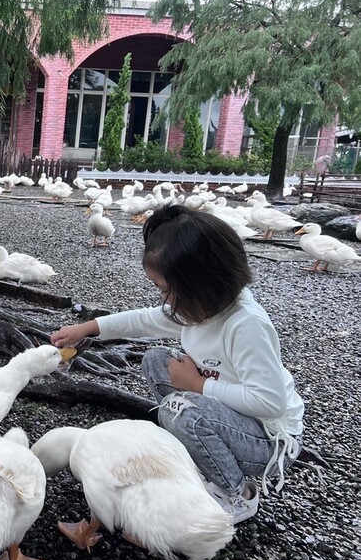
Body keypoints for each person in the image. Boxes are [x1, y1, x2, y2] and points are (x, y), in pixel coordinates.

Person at [51, 204, 304, 524]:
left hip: (269, 440)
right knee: (156, 360)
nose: (164, 300)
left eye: (167, 290)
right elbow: (146, 320)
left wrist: (199, 385)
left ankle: (238, 494)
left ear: (204, 284)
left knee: (179, 408)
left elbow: (270, 401)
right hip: (231, 417)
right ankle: (203, 455)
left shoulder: (246, 324)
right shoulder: (200, 307)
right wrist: (89, 328)